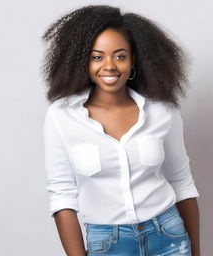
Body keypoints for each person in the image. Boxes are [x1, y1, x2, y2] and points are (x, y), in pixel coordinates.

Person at [42, 4, 200, 256]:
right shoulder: (62, 117)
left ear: (133, 59)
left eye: (119, 55)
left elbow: (182, 183)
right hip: (108, 243)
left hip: (169, 235)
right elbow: (62, 197)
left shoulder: (162, 111)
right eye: (97, 56)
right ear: (83, 61)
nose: (109, 66)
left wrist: (195, 252)